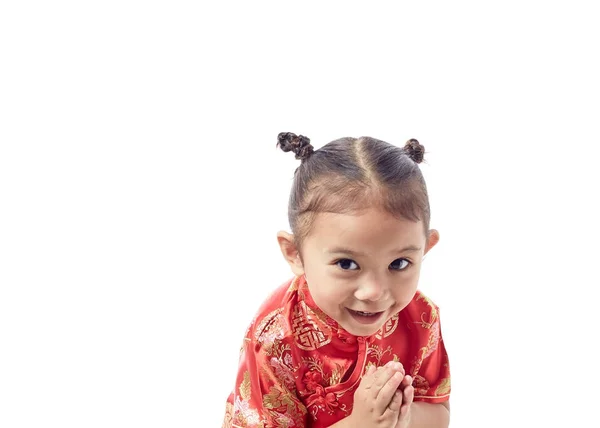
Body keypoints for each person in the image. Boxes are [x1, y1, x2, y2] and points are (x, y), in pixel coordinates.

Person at [222, 132, 451, 428]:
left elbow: (437, 411)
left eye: (399, 263)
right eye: (347, 263)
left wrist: (403, 417)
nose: (374, 292)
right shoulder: (276, 338)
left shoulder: (420, 316)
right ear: (295, 254)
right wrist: (360, 424)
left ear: (425, 249)